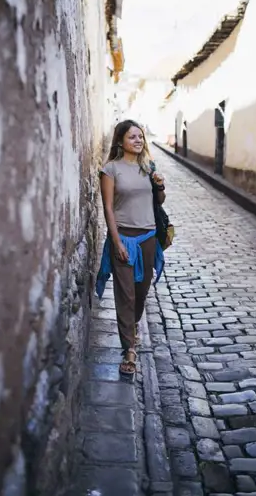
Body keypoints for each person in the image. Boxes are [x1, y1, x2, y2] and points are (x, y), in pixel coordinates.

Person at [98, 119, 166, 376]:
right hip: (124, 238)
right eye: (132, 137)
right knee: (125, 294)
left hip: (148, 238)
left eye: (140, 137)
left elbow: (158, 200)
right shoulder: (110, 169)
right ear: (120, 142)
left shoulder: (148, 167)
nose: (138, 141)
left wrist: (159, 184)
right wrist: (116, 243)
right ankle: (129, 349)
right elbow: (107, 208)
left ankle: (133, 326)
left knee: (140, 291)